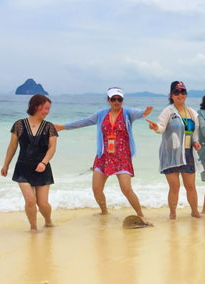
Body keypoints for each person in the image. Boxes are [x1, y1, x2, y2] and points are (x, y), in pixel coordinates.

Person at [54, 88, 152, 224]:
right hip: (103, 156)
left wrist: (145, 113)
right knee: (96, 189)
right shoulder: (101, 114)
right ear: (108, 100)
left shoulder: (128, 113)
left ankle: (141, 215)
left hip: (122, 156)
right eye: (113, 99)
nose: (117, 102)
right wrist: (63, 126)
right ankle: (104, 211)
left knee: (126, 188)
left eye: (119, 99)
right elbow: (84, 121)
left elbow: (140, 113)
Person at [1, 94, 58, 231]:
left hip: (42, 168)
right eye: (45, 108)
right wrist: (6, 164)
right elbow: (12, 146)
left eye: (48, 109)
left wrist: (43, 163)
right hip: (23, 167)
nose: (47, 111)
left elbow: (52, 148)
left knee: (43, 203)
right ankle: (33, 228)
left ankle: (48, 221)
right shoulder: (19, 125)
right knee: (30, 201)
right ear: (36, 106)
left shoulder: (49, 127)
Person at [146, 81, 202, 219]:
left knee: (191, 186)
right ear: (171, 95)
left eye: (183, 92)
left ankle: (195, 212)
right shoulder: (168, 111)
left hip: (187, 154)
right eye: (176, 92)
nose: (180, 95)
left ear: (186, 94)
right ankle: (172, 214)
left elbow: (195, 133)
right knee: (175, 187)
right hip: (170, 154)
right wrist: (155, 128)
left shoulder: (192, 113)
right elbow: (161, 128)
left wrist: (196, 142)